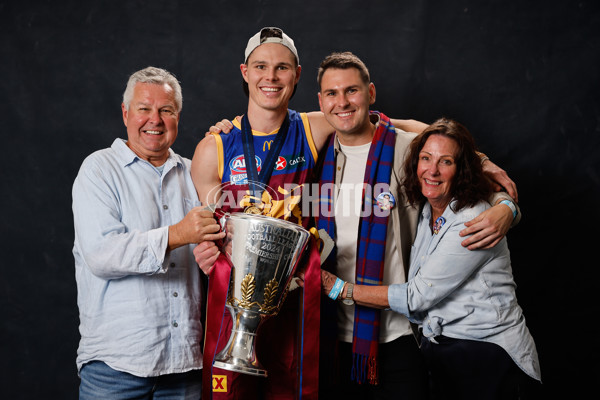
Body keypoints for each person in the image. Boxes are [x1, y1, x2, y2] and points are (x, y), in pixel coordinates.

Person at [192, 29, 517, 399]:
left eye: (281, 67)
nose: (271, 77)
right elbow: (205, 229)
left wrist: (491, 178)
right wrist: (202, 249)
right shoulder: (224, 147)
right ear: (244, 71)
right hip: (279, 315)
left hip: (349, 322)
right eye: (261, 67)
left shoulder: (336, 132)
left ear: (296, 75)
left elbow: (420, 136)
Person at [312, 52, 522, 399]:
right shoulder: (314, 150)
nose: (343, 102)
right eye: (332, 94)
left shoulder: (408, 149)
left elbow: (456, 155)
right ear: (321, 102)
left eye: (352, 90)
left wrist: (506, 206)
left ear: (371, 93)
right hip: (329, 335)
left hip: (398, 335)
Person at [72, 66, 225, 399]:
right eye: (144, 109)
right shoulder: (99, 170)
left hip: (184, 365)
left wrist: (231, 138)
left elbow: (219, 243)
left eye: (166, 110)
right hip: (116, 367)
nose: (154, 119)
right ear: (126, 113)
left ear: (178, 117)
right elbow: (102, 254)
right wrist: (177, 235)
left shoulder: (193, 172)